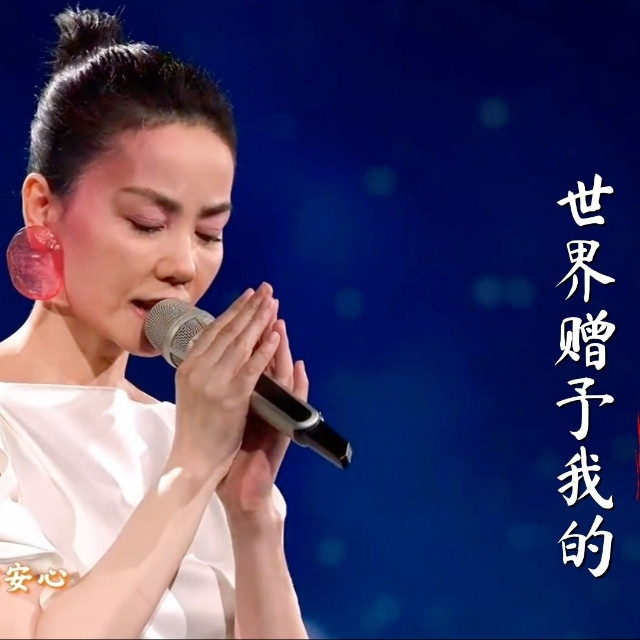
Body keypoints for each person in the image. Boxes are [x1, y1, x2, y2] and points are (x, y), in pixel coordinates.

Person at [0, 7, 310, 639]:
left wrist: (252, 515)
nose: (183, 266)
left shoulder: (189, 437)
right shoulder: (190, 450)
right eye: (147, 223)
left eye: (209, 233)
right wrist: (189, 471)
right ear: (43, 206)